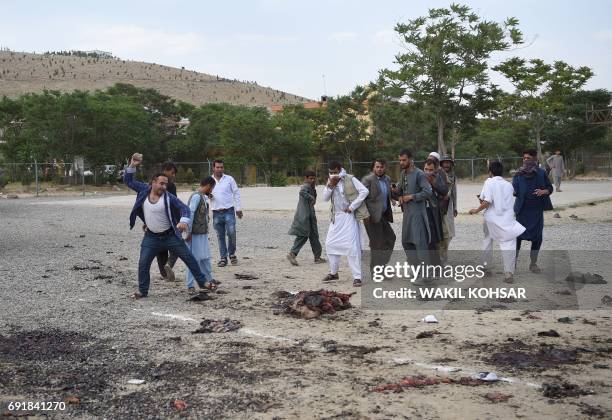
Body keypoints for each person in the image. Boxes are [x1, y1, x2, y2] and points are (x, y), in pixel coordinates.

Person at [124, 153, 215, 298]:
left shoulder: (168, 196)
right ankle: (143, 291)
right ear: (153, 182)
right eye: (161, 183)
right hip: (151, 237)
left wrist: (184, 220)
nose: (164, 186)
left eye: (166, 184)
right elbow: (128, 181)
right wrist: (132, 166)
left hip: (170, 235)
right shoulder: (143, 190)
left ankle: (203, 282)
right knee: (143, 264)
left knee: (189, 258)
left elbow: (184, 208)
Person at [469, 161, 525, 283]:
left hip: (491, 219)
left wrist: (476, 210)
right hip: (507, 220)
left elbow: (486, 200)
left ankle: (485, 267)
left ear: (490, 172)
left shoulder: (489, 182)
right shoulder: (509, 185)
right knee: (508, 244)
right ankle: (509, 273)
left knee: (487, 240)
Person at [322, 161, 369, 287]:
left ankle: (357, 277)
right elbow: (325, 198)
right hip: (335, 217)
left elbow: (364, 191)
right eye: (330, 172)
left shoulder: (349, 178)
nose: (332, 174)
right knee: (330, 244)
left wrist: (352, 207)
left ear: (340, 170)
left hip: (348, 216)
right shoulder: (330, 181)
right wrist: (331, 185)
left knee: (351, 247)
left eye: (335, 172)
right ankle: (334, 273)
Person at [513, 149, 554, 273]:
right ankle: (512, 262)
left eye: (528, 158)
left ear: (535, 159)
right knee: (517, 237)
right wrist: (514, 192)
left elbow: (550, 188)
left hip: (536, 210)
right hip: (522, 210)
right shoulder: (518, 174)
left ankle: (533, 263)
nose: (525, 160)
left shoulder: (541, 173)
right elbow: (514, 188)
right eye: (524, 158)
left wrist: (543, 191)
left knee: (537, 237)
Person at [391, 149, 432, 266]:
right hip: (407, 214)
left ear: (410, 159)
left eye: (404, 160)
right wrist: (395, 191)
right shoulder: (403, 174)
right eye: (400, 160)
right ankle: (417, 270)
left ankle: (426, 276)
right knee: (406, 242)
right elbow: (400, 190)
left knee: (420, 244)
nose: (401, 163)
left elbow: (428, 192)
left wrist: (411, 197)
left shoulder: (419, 174)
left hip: (418, 214)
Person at [361, 159, 396, 271]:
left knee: (391, 238)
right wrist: (365, 215)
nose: (379, 169)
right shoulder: (368, 180)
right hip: (371, 217)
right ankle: (376, 270)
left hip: (383, 216)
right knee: (377, 244)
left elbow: (387, 194)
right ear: (373, 168)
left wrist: (395, 197)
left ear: (385, 168)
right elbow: (361, 199)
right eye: (377, 167)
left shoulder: (387, 179)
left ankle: (380, 266)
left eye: (381, 167)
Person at [185, 176, 217, 294]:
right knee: (194, 260)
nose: (212, 191)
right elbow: (191, 214)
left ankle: (208, 279)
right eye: (212, 188)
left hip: (202, 233)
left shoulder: (202, 197)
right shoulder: (196, 197)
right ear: (208, 185)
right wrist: (188, 232)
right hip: (195, 234)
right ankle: (190, 285)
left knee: (204, 257)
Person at [287, 171, 326, 266]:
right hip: (305, 216)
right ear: (306, 178)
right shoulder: (306, 186)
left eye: (313, 178)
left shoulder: (311, 187)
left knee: (314, 236)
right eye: (310, 178)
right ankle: (292, 253)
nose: (312, 180)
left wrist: (313, 196)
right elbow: (302, 192)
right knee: (303, 236)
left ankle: (317, 257)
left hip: (310, 216)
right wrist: (311, 197)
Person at [210, 159, 242, 267]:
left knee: (232, 232)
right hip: (216, 212)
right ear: (213, 168)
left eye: (221, 167)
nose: (220, 169)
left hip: (229, 211)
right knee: (220, 236)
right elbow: (204, 194)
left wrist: (238, 208)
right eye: (217, 167)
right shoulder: (209, 180)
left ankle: (232, 253)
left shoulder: (229, 179)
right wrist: (207, 197)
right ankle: (223, 258)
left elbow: (236, 193)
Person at [155, 162, 179, 281]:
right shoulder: (169, 186)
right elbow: (174, 205)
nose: (173, 175)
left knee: (161, 248)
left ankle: (165, 273)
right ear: (166, 170)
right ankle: (168, 266)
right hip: (167, 221)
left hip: (158, 221)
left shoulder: (154, 185)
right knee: (177, 245)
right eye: (172, 173)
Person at [423, 158, 448, 265]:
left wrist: (434, 183)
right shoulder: (419, 176)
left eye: (430, 169)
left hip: (433, 212)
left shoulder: (437, 177)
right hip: (420, 212)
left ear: (435, 169)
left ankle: (435, 265)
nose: (428, 172)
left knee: (433, 239)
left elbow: (444, 190)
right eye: (426, 169)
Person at [439, 155, 457, 263]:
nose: (446, 164)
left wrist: (455, 207)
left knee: (449, 234)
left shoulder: (453, 176)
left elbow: (454, 192)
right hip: (439, 207)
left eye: (448, 162)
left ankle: (443, 258)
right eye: (444, 162)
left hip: (449, 207)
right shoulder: (438, 174)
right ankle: (440, 259)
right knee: (442, 233)